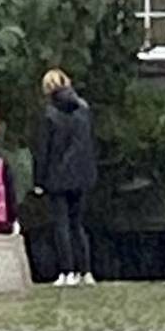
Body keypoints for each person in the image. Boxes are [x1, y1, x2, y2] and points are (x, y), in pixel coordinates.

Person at [35, 69, 97, 286]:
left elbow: (44, 150)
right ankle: (85, 271)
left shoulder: (49, 114)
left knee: (61, 225)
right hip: (82, 176)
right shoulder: (83, 110)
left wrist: (39, 181)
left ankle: (66, 271)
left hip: (57, 177)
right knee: (78, 225)